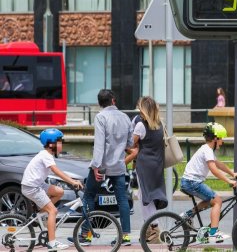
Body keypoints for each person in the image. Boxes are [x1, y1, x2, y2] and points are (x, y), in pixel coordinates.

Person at [70, 89, 134, 246]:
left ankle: (86, 234)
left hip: (103, 166)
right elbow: (130, 143)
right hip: (119, 166)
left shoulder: (100, 117)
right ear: (113, 100)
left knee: (89, 196)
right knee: (122, 200)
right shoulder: (126, 117)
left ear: (99, 103)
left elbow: (99, 144)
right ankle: (125, 236)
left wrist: (96, 167)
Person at [21, 128, 83, 252]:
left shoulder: (46, 155)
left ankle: (41, 212)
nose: (61, 144)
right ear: (51, 144)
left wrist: (71, 180)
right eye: (59, 142)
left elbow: (55, 173)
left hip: (38, 184)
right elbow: (56, 171)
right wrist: (72, 181)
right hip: (32, 187)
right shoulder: (45, 155)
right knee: (53, 211)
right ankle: (52, 243)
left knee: (59, 191)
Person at [180, 122, 237, 243]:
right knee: (217, 200)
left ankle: (187, 215)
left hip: (190, 181)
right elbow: (214, 169)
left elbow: (219, 164)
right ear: (215, 138)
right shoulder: (207, 150)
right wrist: (229, 180)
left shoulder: (207, 150)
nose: (222, 142)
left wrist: (232, 173)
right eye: (221, 139)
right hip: (192, 182)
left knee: (210, 200)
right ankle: (213, 232)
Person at [125, 96, 168, 244]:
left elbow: (130, 143)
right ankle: (150, 228)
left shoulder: (140, 126)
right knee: (147, 197)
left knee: (144, 198)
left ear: (143, 109)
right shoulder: (160, 124)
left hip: (144, 165)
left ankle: (154, 229)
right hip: (157, 164)